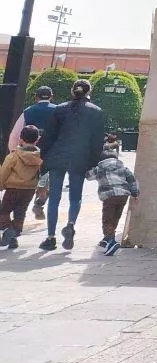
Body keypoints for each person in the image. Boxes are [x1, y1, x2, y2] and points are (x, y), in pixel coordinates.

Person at [37, 79, 106, 252]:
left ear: (72, 91)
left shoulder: (60, 109)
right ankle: (70, 224)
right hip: (80, 157)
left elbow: (49, 136)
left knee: (54, 198)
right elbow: (97, 142)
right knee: (75, 197)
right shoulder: (96, 112)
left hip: (58, 155)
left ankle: (50, 237)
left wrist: (43, 158)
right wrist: (92, 162)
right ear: (89, 92)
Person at [9, 85, 58, 221]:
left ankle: (18, 211)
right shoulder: (59, 111)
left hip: (28, 154)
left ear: (36, 97)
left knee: (26, 182)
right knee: (48, 182)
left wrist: (14, 152)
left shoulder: (28, 111)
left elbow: (14, 135)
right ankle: (40, 202)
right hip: (50, 154)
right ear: (51, 97)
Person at [86, 135, 139, 256]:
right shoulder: (123, 167)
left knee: (107, 219)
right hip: (123, 195)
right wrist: (135, 194)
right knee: (115, 217)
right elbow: (132, 180)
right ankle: (107, 239)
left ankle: (110, 241)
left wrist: (89, 166)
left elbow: (88, 176)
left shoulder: (100, 167)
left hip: (109, 196)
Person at [0, 125, 43, 248]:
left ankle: (7, 229)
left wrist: (1, 184)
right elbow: (41, 173)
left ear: (20, 139)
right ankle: (15, 235)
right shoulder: (38, 157)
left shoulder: (14, 156)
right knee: (20, 213)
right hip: (29, 190)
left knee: (3, 211)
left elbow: (4, 171)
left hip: (13, 189)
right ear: (37, 140)